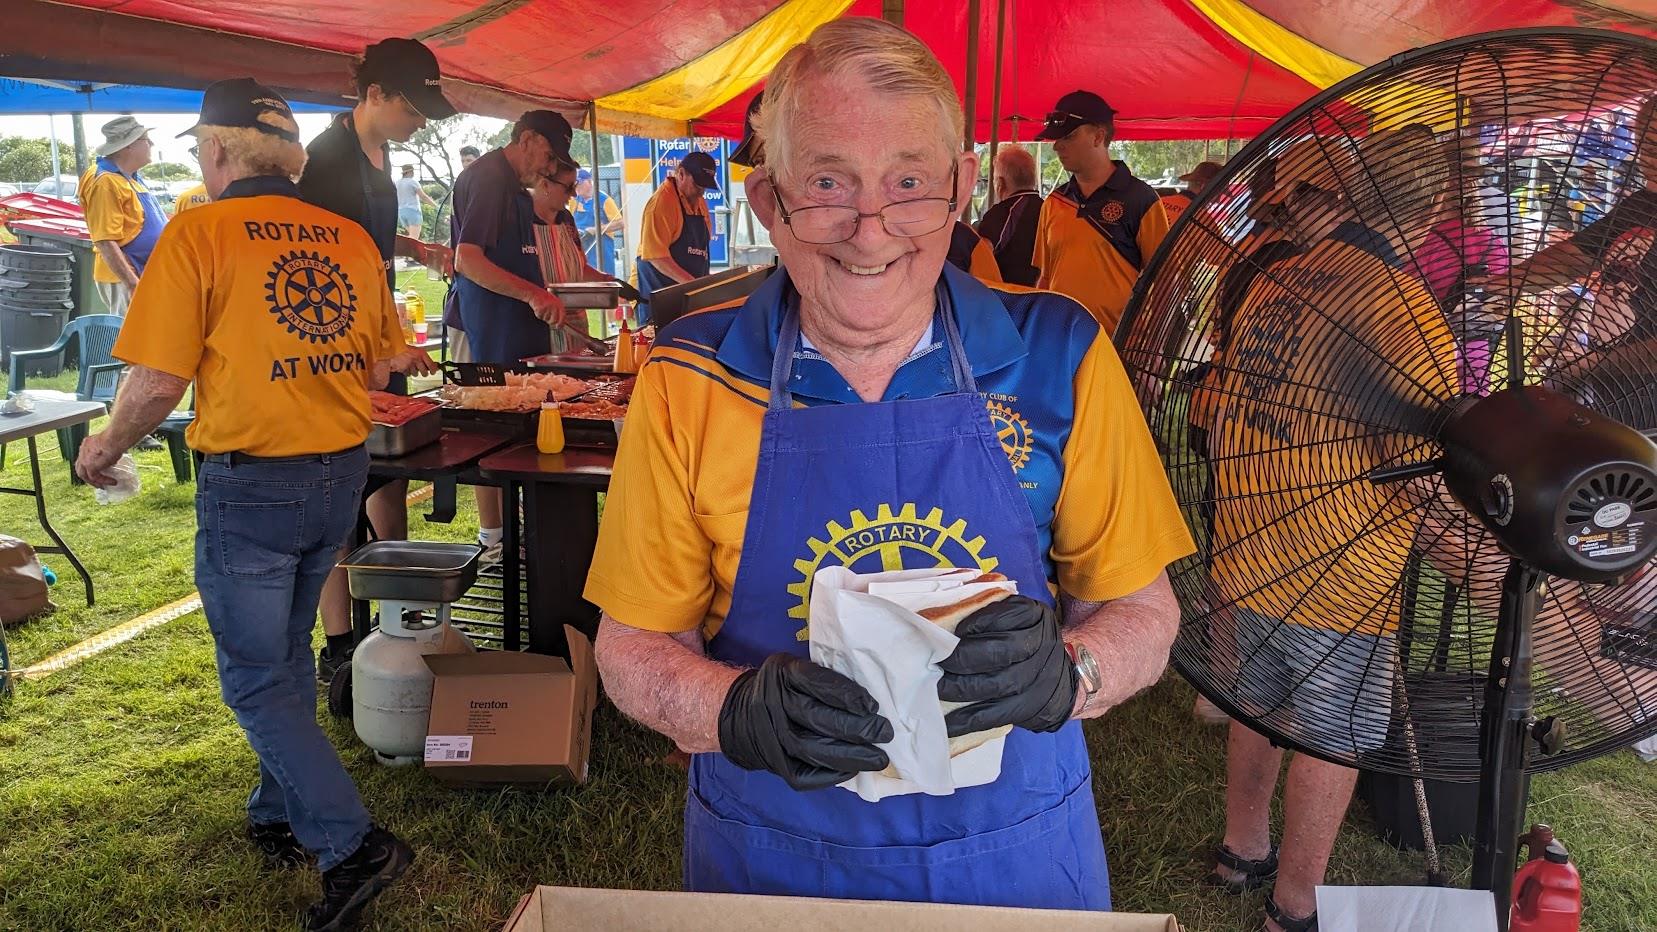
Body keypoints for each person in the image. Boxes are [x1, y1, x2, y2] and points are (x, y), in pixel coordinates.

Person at [587, 18, 1193, 911]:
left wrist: (1077, 671)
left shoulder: (1058, 354)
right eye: (827, 184)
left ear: (959, 189)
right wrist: (730, 710)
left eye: (907, 183)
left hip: (1016, 855)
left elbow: (1143, 610)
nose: (869, 233)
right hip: (773, 859)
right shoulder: (689, 376)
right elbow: (631, 647)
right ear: (768, 201)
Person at [70, 78, 435, 932]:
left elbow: (157, 381)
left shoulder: (199, 232)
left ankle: (353, 846)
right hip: (339, 473)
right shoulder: (347, 236)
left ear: (217, 149)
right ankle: (277, 810)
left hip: (254, 484)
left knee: (254, 678)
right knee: (285, 658)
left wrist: (103, 448)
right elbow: (381, 365)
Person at [1204, 136, 1456, 932]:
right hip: (1338, 570)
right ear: (1433, 208)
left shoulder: (1276, 275)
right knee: (1331, 733)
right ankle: (1294, 905)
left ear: (1348, 192)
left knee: (1255, 702)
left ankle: (1241, 849)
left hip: (1251, 541)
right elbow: (1421, 467)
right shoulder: (1400, 309)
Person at [299, 35, 459, 682]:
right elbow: (322, 263)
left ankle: (396, 606)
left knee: (388, 477)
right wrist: (371, 346)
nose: (418, 122)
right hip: (335, 340)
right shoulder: (324, 160)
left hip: (375, 329)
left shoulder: (380, 150)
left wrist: (415, 251)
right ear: (374, 94)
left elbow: (369, 241)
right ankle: (339, 641)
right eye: (411, 109)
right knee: (339, 496)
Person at [446, 110, 577, 560]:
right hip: (481, 326)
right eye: (549, 156)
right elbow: (467, 259)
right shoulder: (487, 178)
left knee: (517, 433)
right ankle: (493, 540)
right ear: (527, 140)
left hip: (513, 327)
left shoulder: (517, 188)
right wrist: (532, 294)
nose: (549, 167)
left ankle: (522, 536)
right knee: (485, 435)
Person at [1487, 95, 1656, 349]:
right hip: (1604, 364)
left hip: (1632, 369)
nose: (1645, 158)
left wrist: (1597, 365)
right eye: (1641, 145)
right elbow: (1573, 258)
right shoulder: (1640, 205)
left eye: (1653, 147)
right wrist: (1508, 284)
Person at [1032, 91, 1170, 333]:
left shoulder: (1141, 199)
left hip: (1117, 342)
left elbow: (1164, 280)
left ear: (1098, 136)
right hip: (1061, 340)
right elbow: (1045, 278)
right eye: (1056, 138)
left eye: (1069, 136)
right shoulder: (1054, 202)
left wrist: (1150, 339)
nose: (1057, 146)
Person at [79, 115, 166, 316]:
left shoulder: (130, 177)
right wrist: (132, 283)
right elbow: (105, 241)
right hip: (124, 276)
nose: (152, 144)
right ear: (129, 146)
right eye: (146, 140)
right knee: (131, 332)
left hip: (142, 270)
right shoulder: (105, 182)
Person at [635, 150, 718, 303]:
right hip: (659, 295)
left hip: (687, 295)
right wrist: (695, 286)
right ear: (681, 174)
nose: (701, 191)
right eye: (697, 184)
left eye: (705, 186)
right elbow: (656, 257)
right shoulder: (661, 204)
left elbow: (701, 252)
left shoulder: (699, 202)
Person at [975, 145, 1043, 286]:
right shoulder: (1049, 209)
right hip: (1044, 293)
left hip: (1007, 293)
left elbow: (980, 253)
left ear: (1000, 183)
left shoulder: (1004, 212)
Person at [571, 167, 624, 275]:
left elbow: (620, 223)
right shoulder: (574, 201)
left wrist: (595, 230)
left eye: (579, 183)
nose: (576, 187)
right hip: (582, 249)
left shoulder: (604, 200)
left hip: (602, 251)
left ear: (589, 182)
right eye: (574, 184)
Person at [1161, 160, 1221, 226]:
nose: (1219, 200)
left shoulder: (1159, 203)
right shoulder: (1203, 219)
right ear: (1204, 186)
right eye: (1219, 190)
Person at [395, 164, 438, 242]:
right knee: (414, 239)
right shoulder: (413, 182)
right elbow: (423, 196)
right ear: (410, 172)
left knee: (411, 236)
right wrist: (435, 206)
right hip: (413, 211)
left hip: (401, 212)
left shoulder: (397, 183)